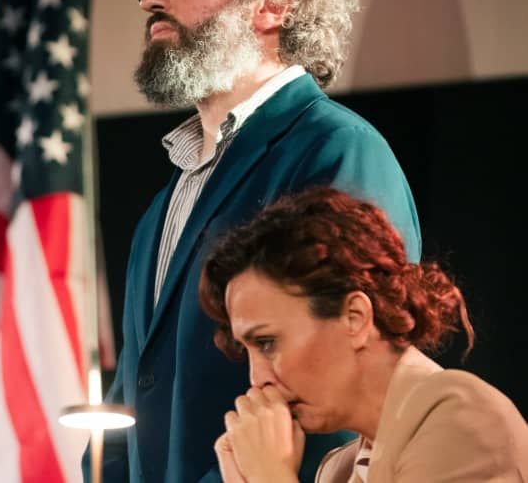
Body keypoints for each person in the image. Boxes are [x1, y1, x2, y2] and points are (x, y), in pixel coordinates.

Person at [82, 0, 423, 481]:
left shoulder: (337, 150)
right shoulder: (163, 206)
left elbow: (339, 397)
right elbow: (129, 401)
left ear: (273, 0)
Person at [199, 186, 528, 483]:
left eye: (267, 343)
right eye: (247, 350)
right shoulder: (339, 469)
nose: (257, 380)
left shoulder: (458, 421)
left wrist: (269, 476)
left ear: (354, 317)